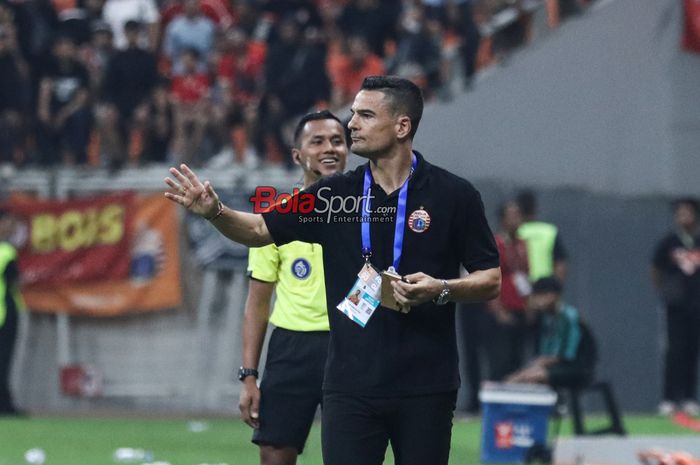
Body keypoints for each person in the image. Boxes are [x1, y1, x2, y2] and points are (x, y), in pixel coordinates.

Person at [165, 75, 501, 465]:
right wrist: (215, 212)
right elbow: (258, 229)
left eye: (365, 115)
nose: (351, 124)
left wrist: (441, 288)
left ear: (402, 126)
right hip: (349, 386)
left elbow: (489, 279)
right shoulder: (332, 194)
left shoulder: (453, 195)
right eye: (353, 114)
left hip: (426, 385)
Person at [238, 110, 348, 465]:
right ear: (297, 155)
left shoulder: (369, 213)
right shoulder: (274, 219)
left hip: (352, 345)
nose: (329, 148)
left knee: (354, 452)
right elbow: (257, 302)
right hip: (292, 346)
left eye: (337, 140)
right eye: (317, 141)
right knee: (274, 453)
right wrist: (249, 376)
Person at [651, 198, 700, 416]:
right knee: (674, 351)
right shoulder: (669, 242)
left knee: (692, 350)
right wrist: (665, 292)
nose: (683, 217)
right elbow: (655, 269)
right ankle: (669, 398)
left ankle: (689, 397)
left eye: (687, 213)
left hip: (696, 304)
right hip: (676, 305)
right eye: (679, 213)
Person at [506, 277, 595, 390]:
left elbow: (566, 354)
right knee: (523, 376)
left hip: (577, 368)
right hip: (554, 367)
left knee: (530, 377)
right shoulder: (546, 318)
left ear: (551, 296)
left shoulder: (570, 317)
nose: (535, 300)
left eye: (538, 296)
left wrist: (526, 373)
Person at [485, 201, 531, 381]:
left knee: (517, 358)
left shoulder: (521, 245)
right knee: (500, 359)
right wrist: (497, 310)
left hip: (520, 308)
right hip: (502, 310)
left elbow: (526, 276)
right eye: (512, 216)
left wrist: (529, 305)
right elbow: (489, 276)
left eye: (518, 215)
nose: (516, 220)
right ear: (503, 220)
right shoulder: (495, 243)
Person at [0, 209, 24, 415]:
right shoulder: (7, 251)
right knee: (4, 360)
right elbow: (15, 281)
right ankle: (4, 405)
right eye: (8, 223)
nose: (11, 227)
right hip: (4, 312)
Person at [516, 189, 568, 282]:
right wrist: (557, 288)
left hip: (519, 289)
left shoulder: (514, 233)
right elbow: (560, 265)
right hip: (545, 288)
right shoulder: (550, 231)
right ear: (535, 209)